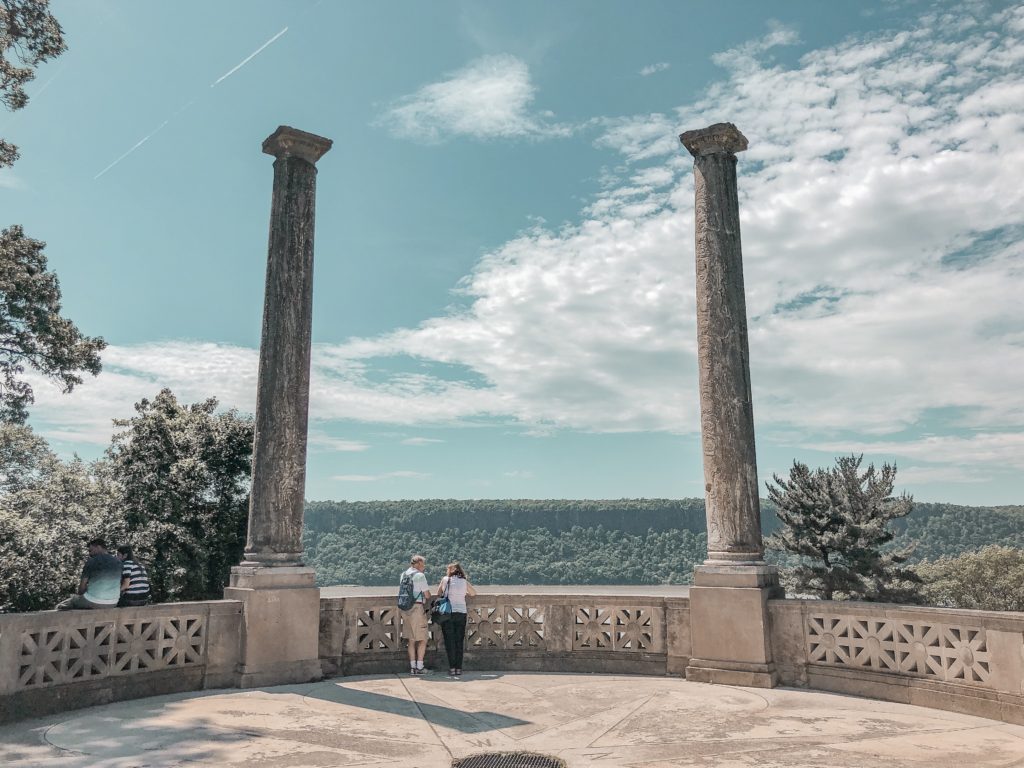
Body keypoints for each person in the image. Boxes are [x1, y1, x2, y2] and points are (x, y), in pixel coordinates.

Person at [56, 538, 123, 610]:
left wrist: (81, 597)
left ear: (98, 547)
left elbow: (82, 587)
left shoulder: (92, 561)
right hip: (113, 602)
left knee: (64, 605)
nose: (90, 553)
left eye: (91, 550)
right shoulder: (118, 562)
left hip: (93, 601)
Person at [436, 562, 476, 679]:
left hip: (448, 613)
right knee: (459, 642)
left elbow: (439, 593)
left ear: (450, 570)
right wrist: (463, 593)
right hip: (461, 613)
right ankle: (459, 668)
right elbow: (473, 593)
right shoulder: (464, 581)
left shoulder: (445, 580)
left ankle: (452, 669)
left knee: (450, 642)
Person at [399, 554, 431, 675]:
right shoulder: (419, 575)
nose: (424, 567)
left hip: (405, 609)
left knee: (411, 639)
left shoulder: (403, 574)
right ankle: (420, 667)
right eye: (423, 565)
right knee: (423, 638)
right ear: (418, 564)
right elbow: (427, 595)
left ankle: (412, 668)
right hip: (416, 609)